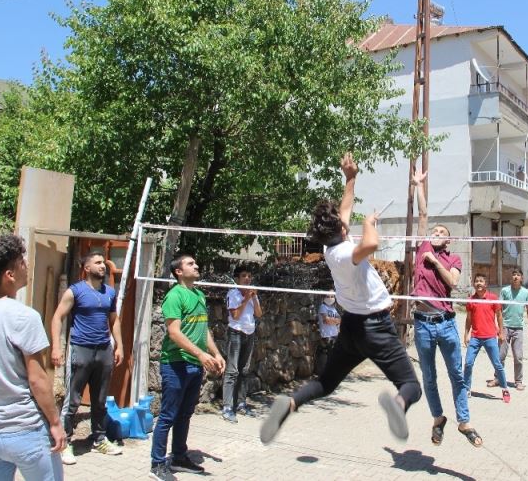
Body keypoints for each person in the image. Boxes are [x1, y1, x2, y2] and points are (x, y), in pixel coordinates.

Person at [260, 153, 421, 444]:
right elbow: (371, 242)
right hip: (377, 328)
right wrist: (370, 221)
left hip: (351, 329)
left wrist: (350, 179)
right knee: (411, 385)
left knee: (325, 383)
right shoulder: (348, 253)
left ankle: (292, 403)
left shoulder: (331, 249)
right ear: (343, 231)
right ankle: (398, 406)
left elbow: (343, 213)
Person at [0, 235, 66, 480]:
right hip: (26, 430)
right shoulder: (24, 317)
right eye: (22, 262)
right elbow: (38, 380)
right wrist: (55, 422)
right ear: (10, 274)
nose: (26, 266)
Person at [410, 169, 481, 448]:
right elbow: (424, 215)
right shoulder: (422, 247)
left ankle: (464, 421)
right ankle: (438, 418)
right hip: (423, 324)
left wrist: (435, 261)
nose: (436, 234)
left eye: (442, 233)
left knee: (457, 375)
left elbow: (452, 282)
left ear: (448, 241)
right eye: (434, 232)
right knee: (429, 376)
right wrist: (418, 186)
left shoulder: (452, 259)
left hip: (446, 323)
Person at [150, 254, 225, 480]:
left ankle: (179, 457)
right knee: (167, 415)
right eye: (191, 263)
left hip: (194, 364)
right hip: (176, 364)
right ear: (179, 271)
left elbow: (204, 330)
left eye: (196, 262)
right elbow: (174, 333)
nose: (197, 265)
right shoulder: (174, 296)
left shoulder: (199, 295)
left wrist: (216, 353)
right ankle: (157, 464)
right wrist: (201, 354)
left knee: (185, 414)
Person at [50, 252, 124, 464]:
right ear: (86, 268)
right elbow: (57, 317)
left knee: (100, 400)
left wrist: (119, 346)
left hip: (103, 350)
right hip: (80, 349)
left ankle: (99, 438)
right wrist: (56, 347)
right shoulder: (75, 291)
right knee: (72, 400)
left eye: (103, 262)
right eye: (98, 263)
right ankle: (64, 443)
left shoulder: (109, 292)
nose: (103, 266)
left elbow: (114, 320)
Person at [221, 264, 262, 423]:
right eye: (244, 276)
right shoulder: (233, 294)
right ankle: (227, 407)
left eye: (249, 276)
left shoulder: (252, 295)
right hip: (236, 333)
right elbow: (236, 315)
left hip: (249, 333)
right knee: (232, 371)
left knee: (244, 370)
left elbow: (259, 313)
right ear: (237, 279)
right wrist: (246, 299)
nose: (247, 279)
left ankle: (241, 403)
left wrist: (254, 298)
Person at [463, 273, 510, 403]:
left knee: (497, 364)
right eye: (476, 281)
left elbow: (499, 316)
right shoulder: (471, 300)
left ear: (486, 284)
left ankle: (505, 388)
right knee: (468, 363)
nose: (478, 283)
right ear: (474, 284)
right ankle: (466, 388)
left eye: (481, 281)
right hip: (475, 337)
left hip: (490, 337)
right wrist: (466, 334)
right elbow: (468, 319)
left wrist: (501, 332)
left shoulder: (493, 298)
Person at [488, 267, 528, 391]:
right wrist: (498, 327)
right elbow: (499, 310)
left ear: (521, 278)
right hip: (505, 327)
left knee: (518, 356)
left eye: (518, 275)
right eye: (514, 274)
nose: (515, 277)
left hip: (518, 328)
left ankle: (518, 381)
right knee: (500, 355)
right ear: (511, 277)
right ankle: (497, 378)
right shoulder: (505, 291)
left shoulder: (525, 293)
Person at [315, 292, 341, 375]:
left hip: (335, 335)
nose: (330, 298)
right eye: (328, 296)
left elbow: (340, 320)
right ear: (324, 297)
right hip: (327, 335)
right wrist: (334, 320)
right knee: (329, 355)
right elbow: (326, 320)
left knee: (334, 355)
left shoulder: (334, 308)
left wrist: (332, 320)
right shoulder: (323, 307)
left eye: (332, 296)